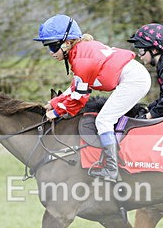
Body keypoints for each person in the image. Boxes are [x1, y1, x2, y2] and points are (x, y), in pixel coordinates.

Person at [34, 14, 151, 182]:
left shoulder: (81, 59)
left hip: (134, 81)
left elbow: (79, 99)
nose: (51, 53)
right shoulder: (79, 52)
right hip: (133, 77)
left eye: (52, 47)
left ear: (67, 43)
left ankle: (112, 169)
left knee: (103, 121)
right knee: (105, 119)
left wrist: (57, 112)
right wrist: (52, 103)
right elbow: (75, 87)